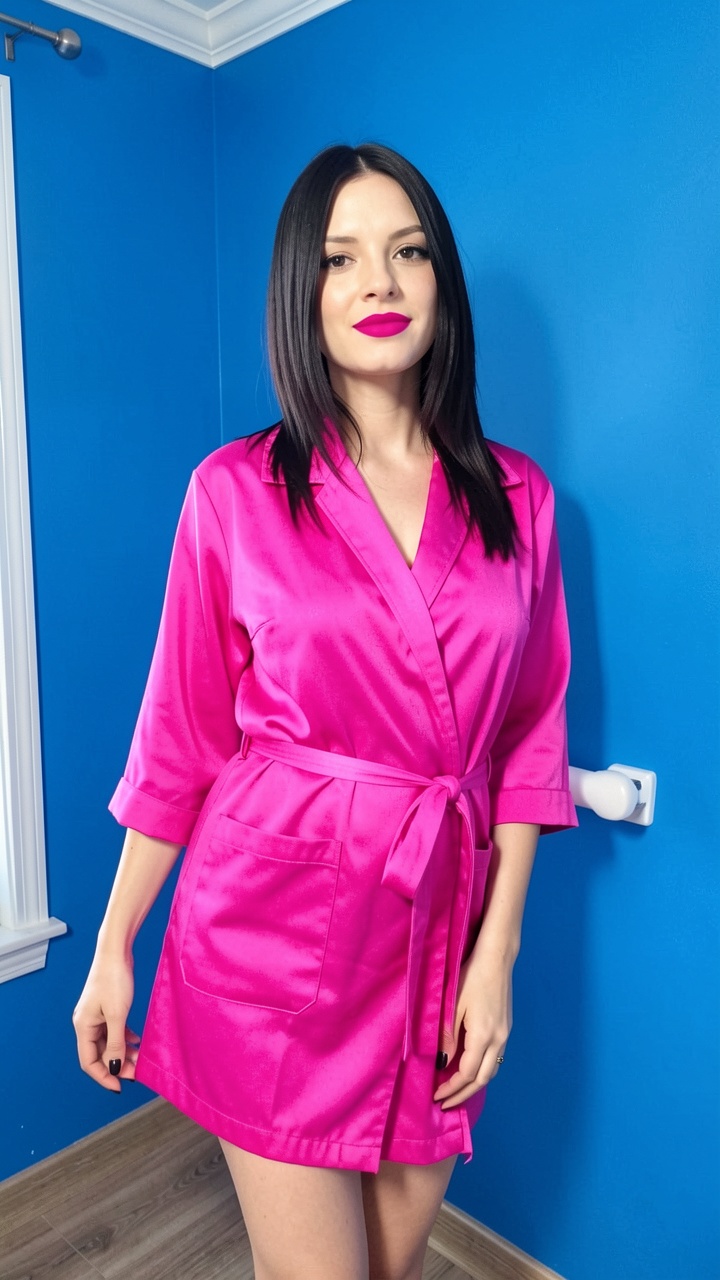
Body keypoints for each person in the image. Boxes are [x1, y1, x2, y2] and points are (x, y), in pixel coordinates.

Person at [73, 143, 577, 1280]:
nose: (379, 283)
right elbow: (178, 742)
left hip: (435, 942)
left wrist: (494, 955)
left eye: (408, 252)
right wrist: (112, 946)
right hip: (269, 940)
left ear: (441, 281)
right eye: (341, 258)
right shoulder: (234, 491)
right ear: (301, 290)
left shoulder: (521, 499)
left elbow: (529, 741)